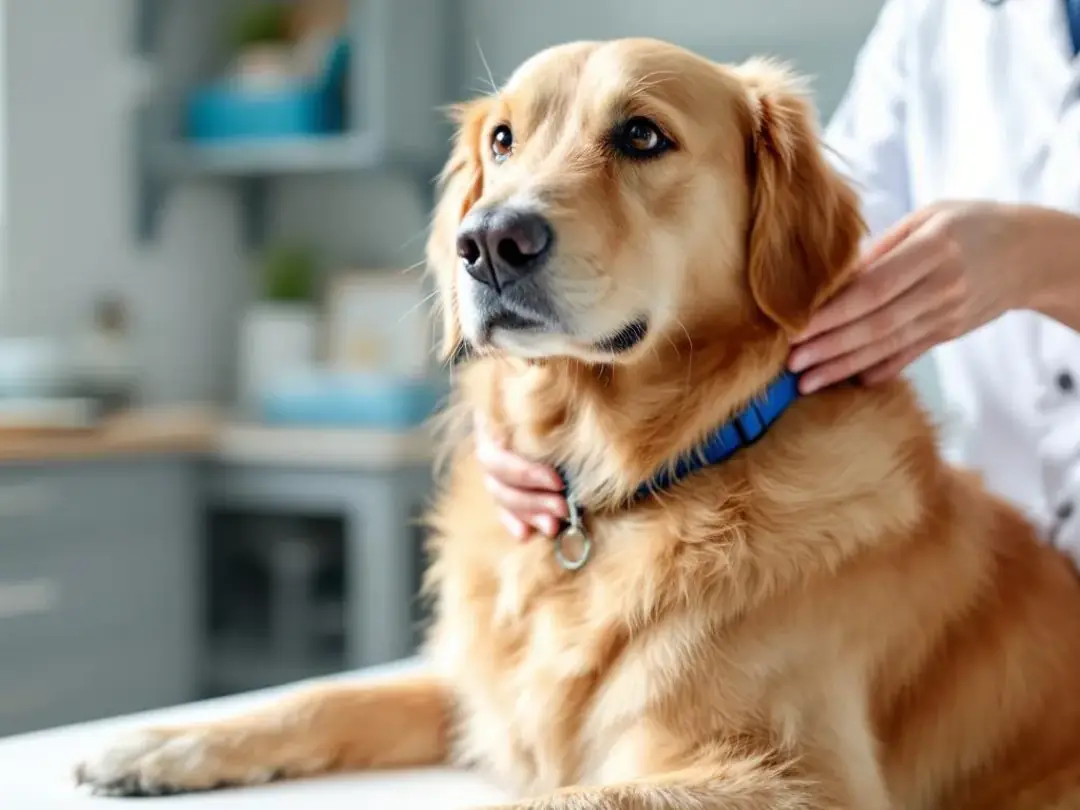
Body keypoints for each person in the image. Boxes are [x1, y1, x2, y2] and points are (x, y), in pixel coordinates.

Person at [473, 0, 1080, 563]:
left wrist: (1040, 257)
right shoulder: (937, 16)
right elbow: (799, 246)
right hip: (1007, 544)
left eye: (639, 137)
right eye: (504, 140)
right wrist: (520, 422)